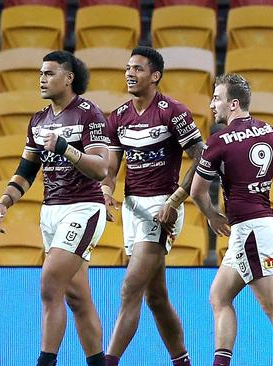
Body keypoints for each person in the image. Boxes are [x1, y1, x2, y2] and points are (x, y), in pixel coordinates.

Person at [0, 51, 108, 366]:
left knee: (49, 285)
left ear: (69, 77)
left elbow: (100, 168)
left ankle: (45, 362)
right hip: (51, 212)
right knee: (77, 298)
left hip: (83, 209)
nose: (42, 79)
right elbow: (26, 170)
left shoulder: (89, 115)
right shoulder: (39, 119)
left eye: (49, 73)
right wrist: (4, 201)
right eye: (40, 74)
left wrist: (64, 148)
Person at [190, 73, 273, 366]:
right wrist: (268, 172)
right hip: (261, 226)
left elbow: (196, 192)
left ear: (233, 104)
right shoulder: (269, 130)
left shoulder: (219, 141)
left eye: (216, 98)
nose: (211, 104)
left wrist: (212, 216)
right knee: (219, 296)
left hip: (251, 231)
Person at [102, 46, 205, 366]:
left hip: (161, 208)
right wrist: (106, 188)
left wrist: (175, 200)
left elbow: (203, 158)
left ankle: (107, 361)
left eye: (138, 69)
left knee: (130, 288)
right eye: (128, 68)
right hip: (133, 210)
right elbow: (112, 164)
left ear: (155, 76)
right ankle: (183, 361)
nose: (130, 73)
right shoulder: (118, 116)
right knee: (156, 297)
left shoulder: (173, 111)